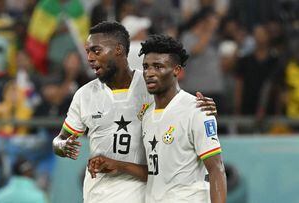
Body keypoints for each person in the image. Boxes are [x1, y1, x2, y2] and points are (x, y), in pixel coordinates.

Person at [52, 22, 217, 203]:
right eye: (88, 52)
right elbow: (60, 139)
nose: (90, 58)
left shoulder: (150, 86)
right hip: (97, 195)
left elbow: (182, 105)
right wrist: (61, 146)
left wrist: (201, 107)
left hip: (142, 194)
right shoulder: (84, 95)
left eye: (96, 51)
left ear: (118, 50)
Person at [88, 35, 227, 203]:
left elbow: (216, 169)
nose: (149, 73)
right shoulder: (147, 115)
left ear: (176, 70)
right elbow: (156, 173)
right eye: (146, 67)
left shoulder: (196, 109)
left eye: (158, 67)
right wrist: (118, 165)